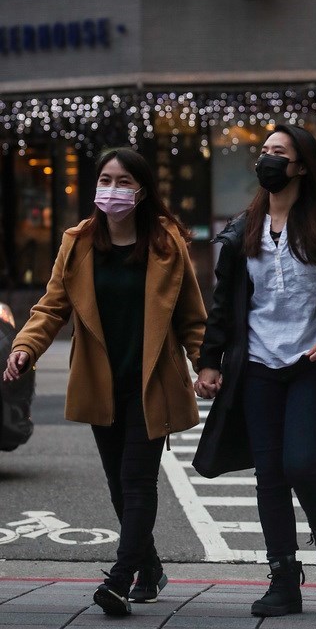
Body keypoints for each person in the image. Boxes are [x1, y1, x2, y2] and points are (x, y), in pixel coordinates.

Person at [192, 123, 316, 618]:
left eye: (278, 152)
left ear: (301, 165)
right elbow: (225, 304)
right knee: (270, 477)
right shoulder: (243, 229)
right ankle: (283, 579)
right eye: (263, 152)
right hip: (257, 365)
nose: (267, 160)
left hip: (311, 362)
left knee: (301, 462)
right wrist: (211, 361)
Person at [3, 147, 207, 617]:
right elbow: (51, 306)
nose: (111, 190)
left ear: (141, 191)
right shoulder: (78, 243)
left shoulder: (166, 245)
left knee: (138, 482)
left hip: (150, 381)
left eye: (122, 181)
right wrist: (25, 347)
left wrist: (205, 364)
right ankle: (151, 568)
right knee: (119, 484)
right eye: (105, 179)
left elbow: (191, 318)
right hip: (100, 382)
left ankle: (120, 578)